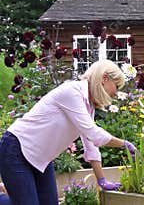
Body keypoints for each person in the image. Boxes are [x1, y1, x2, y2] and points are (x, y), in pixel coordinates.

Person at [0, 59, 137, 205]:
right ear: (104, 78)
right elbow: (94, 134)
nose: (116, 93)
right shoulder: (72, 92)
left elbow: (90, 144)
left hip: (40, 159)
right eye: (116, 86)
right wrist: (125, 144)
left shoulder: (88, 105)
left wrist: (101, 180)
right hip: (16, 149)